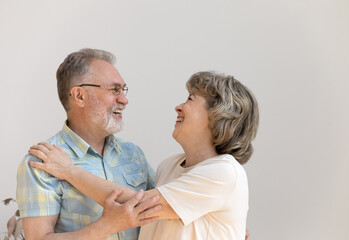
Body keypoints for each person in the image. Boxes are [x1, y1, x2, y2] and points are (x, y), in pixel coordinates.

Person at [29, 71, 259, 239]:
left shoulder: (224, 171)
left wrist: (69, 171)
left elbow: (139, 205)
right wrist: (27, 216)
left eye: (190, 99)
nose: (178, 107)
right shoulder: (169, 166)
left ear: (218, 115)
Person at [16, 48, 161, 240]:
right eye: (114, 90)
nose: (124, 100)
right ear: (79, 96)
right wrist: (106, 226)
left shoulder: (133, 154)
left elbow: (161, 211)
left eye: (123, 90)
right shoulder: (40, 163)